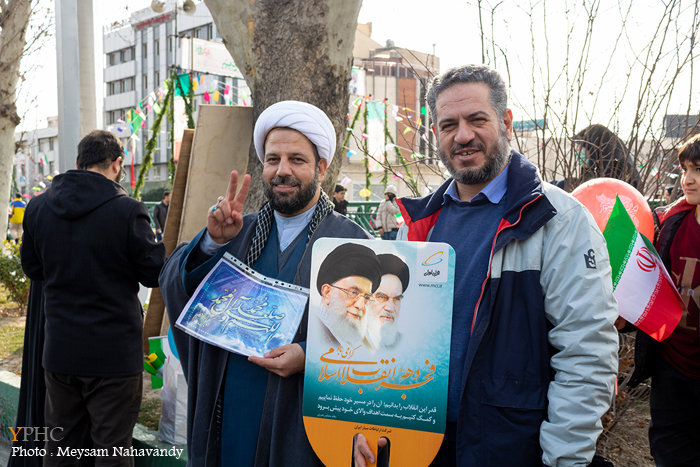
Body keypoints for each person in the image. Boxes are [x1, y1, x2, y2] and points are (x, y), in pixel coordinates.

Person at [354, 65, 618, 467]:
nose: (463, 136)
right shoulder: (418, 227)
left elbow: (586, 354)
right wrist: (372, 425)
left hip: (512, 450)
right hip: (420, 447)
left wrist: (565, 459)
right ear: (435, 134)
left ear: (506, 123)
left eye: (477, 119)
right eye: (449, 125)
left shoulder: (557, 220)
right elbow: (390, 340)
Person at [159, 100, 374, 467]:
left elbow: (376, 342)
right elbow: (177, 287)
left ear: (321, 168)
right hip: (229, 414)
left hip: (301, 427)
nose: (282, 171)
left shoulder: (354, 244)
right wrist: (211, 244)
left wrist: (310, 357)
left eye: (297, 159)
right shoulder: (235, 230)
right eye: (273, 159)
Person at [20, 130, 166, 466]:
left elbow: (33, 268)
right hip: (113, 355)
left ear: (78, 162)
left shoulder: (38, 207)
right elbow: (154, 273)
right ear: (117, 164)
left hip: (59, 351)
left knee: (60, 449)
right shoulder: (128, 210)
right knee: (112, 451)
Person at [628, 133, 700, 466]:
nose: (688, 180)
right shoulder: (670, 223)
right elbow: (648, 289)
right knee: (670, 454)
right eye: (685, 170)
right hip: (672, 367)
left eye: (698, 170)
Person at [314, 242, 382, 349]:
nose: (361, 305)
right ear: (327, 292)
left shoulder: (363, 339)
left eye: (366, 298)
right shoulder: (311, 331)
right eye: (353, 293)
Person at [363, 254, 410, 352]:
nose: (390, 308)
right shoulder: (350, 341)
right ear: (366, 299)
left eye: (396, 299)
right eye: (382, 297)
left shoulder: (405, 342)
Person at [575, 123, 641, 188]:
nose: (578, 149)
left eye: (582, 146)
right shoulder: (594, 166)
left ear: (593, 147)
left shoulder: (619, 168)